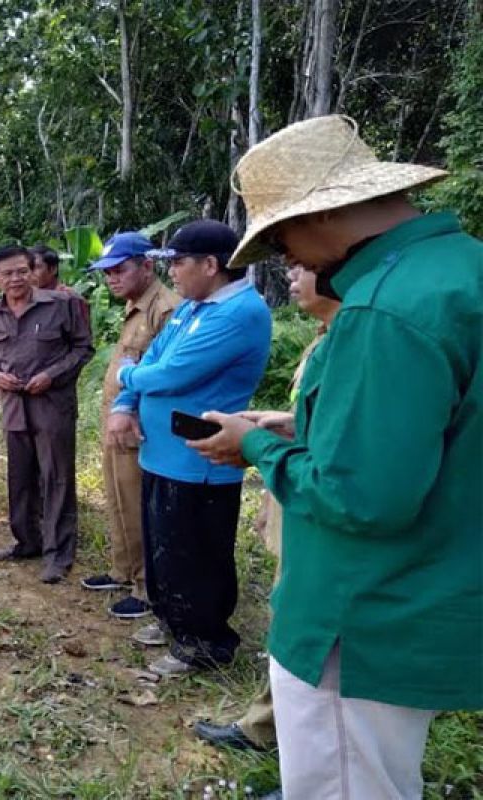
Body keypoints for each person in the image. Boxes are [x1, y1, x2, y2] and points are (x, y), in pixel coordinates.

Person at [191, 115, 482, 800]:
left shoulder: (385, 309)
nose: (296, 258)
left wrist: (256, 445)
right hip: (430, 588)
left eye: (284, 238)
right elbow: (445, 424)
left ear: (320, 214)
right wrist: (308, 420)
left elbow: (363, 499)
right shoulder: (461, 269)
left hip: (361, 611)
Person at [193, 263, 339, 771]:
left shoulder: (356, 343)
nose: (293, 275)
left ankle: (285, 745)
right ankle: (271, 730)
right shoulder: (322, 339)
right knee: (288, 615)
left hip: (321, 506)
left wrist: (256, 441)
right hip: (296, 494)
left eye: (306, 266)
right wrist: (283, 423)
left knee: (306, 637)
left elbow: (346, 451)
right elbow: (320, 425)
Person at [108, 220, 271, 677]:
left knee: (195, 551)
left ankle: (204, 642)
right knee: (165, 544)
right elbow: (153, 358)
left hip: (199, 459)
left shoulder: (240, 313)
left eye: (178, 263)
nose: (173, 273)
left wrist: (126, 377)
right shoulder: (192, 309)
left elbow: (169, 373)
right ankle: (172, 619)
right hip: (162, 451)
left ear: (210, 265)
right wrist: (128, 395)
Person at [77, 233, 180, 620]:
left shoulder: (166, 309)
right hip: (116, 424)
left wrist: (129, 408)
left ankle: (145, 585)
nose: (111, 279)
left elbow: (164, 373)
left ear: (147, 266)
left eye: (120, 270)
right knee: (118, 497)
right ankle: (123, 570)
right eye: (107, 273)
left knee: (139, 503)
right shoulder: (135, 306)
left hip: (139, 427)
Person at [0, 245, 94, 584]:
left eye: (21, 271)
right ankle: (26, 542)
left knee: (56, 478)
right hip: (14, 408)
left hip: (52, 407)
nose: (15, 278)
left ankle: (58, 555)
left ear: (32, 271)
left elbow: (83, 348)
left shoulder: (63, 305)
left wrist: (52, 375)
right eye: (7, 273)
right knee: (20, 478)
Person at [29, 244, 93, 333]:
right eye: (28, 268)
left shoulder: (70, 299)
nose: (31, 274)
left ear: (53, 269)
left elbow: (82, 340)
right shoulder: (27, 298)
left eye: (36, 267)